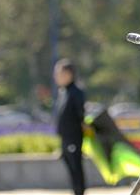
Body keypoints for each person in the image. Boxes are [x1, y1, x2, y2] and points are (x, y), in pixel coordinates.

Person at [53, 59, 86, 195]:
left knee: (76, 168)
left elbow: (81, 115)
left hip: (74, 138)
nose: (56, 77)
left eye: (58, 73)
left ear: (68, 74)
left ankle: (79, 192)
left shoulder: (76, 92)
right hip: (65, 139)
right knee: (71, 169)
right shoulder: (63, 92)